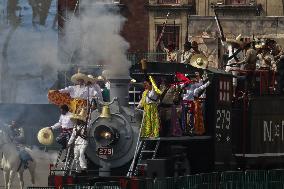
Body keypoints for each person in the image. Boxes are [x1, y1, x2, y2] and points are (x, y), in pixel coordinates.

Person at [67, 108, 88, 173]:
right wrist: (69, 143)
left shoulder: (86, 127)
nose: (78, 121)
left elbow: (87, 134)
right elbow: (73, 136)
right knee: (76, 157)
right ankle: (78, 170)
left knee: (81, 154)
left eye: (79, 120)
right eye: (77, 120)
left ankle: (84, 167)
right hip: (77, 143)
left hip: (84, 142)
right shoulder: (75, 128)